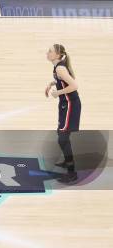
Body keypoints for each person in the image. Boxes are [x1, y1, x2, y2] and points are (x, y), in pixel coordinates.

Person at [45, 44, 80, 183]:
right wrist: (53, 83)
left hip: (71, 104)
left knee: (62, 137)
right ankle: (68, 162)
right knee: (62, 135)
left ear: (57, 55)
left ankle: (72, 173)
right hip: (66, 105)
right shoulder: (58, 67)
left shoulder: (60, 67)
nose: (47, 53)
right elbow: (62, 79)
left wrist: (57, 92)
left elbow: (74, 85)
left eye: (50, 51)